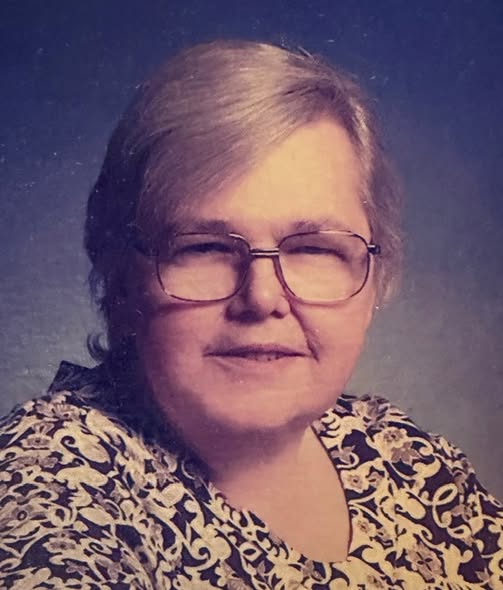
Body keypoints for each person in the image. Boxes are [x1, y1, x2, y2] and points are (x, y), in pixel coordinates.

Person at [0, 39, 501, 590]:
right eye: (204, 248)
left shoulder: (400, 454)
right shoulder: (51, 478)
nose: (262, 298)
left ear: (375, 277)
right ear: (122, 279)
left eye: (314, 248)